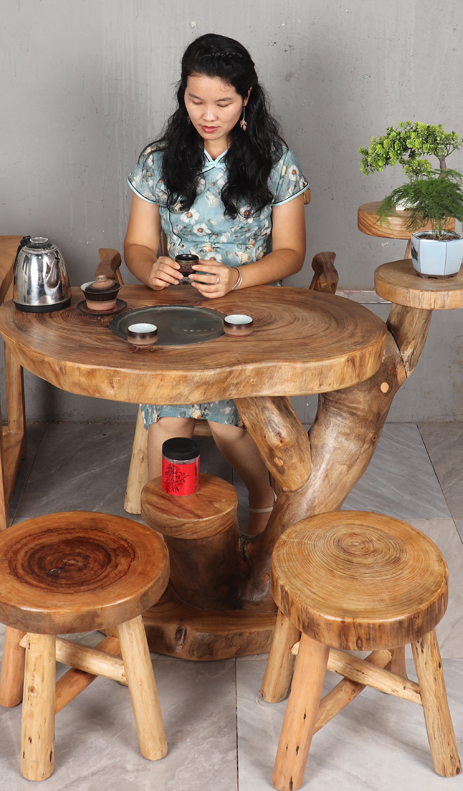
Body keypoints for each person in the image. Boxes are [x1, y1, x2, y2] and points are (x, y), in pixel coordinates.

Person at [123, 33, 308, 534]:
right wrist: (149, 269)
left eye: (223, 103)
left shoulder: (275, 160)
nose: (208, 115)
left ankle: (262, 499)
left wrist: (237, 277)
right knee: (170, 422)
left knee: (229, 426)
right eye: (195, 100)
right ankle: (171, 522)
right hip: (180, 308)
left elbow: (291, 253)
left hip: (252, 307)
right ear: (182, 95)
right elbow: (137, 246)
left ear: (246, 97)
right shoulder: (159, 159)